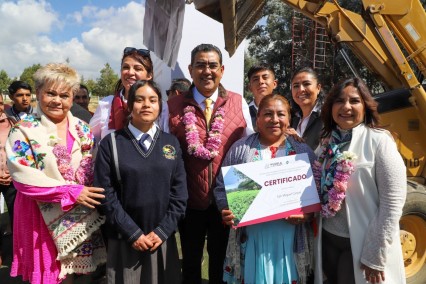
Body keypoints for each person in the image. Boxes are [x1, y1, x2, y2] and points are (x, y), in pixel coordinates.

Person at [6, 63, 107, 284]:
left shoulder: (83, 128)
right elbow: (24, 179)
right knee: (51, 277)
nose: (57, 101)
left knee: (78, 275)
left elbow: (93, 164)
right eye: (50, 93)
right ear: (38, 93)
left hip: (80, 213)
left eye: (64, 95)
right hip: (38, 213)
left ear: (72, 98)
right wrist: (71, 192)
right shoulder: (23, 129)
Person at [167, 43, 254, 284]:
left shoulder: (238, 103)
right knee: (192, 264)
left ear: (222, 70)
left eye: (213, 65)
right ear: (190, 69)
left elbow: (250, 151)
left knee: (222, 264)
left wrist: (243, 201)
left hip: (227, 202)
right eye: (201, 65)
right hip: (189, 201)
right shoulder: (173, 106)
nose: (207, 71)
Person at [214, 94, 316, 284]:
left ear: (289, 119)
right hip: (251, 236)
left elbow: (317, 190)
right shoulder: (241, 149)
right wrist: (225, 209)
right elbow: (221, 187)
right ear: (258, 119)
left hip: (290, 236)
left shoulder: (303, 151)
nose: (275, 119)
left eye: (281, 114)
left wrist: (307, 214)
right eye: (268, 114)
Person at [313, 77, 406, 284]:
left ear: (365, 106)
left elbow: (393, 204)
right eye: (339, 101)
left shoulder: (379, 142)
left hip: (362, 244)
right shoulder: (326, 143)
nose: (346, 107)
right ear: (331, 107)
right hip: (328, 240)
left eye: (354, 101)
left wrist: (375, 254)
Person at [94, 80, 187, 283]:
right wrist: (132, 233)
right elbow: (105, 195)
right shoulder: (111, 144)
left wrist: (162, 231)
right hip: (125, 239)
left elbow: (179, 194)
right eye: (139, 100)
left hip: (161, 239)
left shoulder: (171, 144)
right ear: (129, 105)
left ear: (160, 107)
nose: (146, 105)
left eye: (153, 100)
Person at [90, 47, 153, 144]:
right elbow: (90, 141)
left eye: (138, 68)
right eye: (126, 67)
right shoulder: (106, 104)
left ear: (149, 75)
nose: (130, 72)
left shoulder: (160, 107)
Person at [290, 67, 324, 150]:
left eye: (306, 84)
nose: (301, 89)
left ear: (318, 88)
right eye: (296, 86)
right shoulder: (291, 118)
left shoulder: (327, 116)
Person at [0, 94, 14, 267]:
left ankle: (16, 255)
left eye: (1, 103)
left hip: (11, 179)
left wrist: (12, 172)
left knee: (16, 217)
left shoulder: (11, 124)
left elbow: (18, 151)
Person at [247, 64, 278, 129]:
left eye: (265, 77)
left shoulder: (286, 111)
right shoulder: (244, 112)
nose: (261, 81)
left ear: (274, 84)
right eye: (256, 79)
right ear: (250, 87)